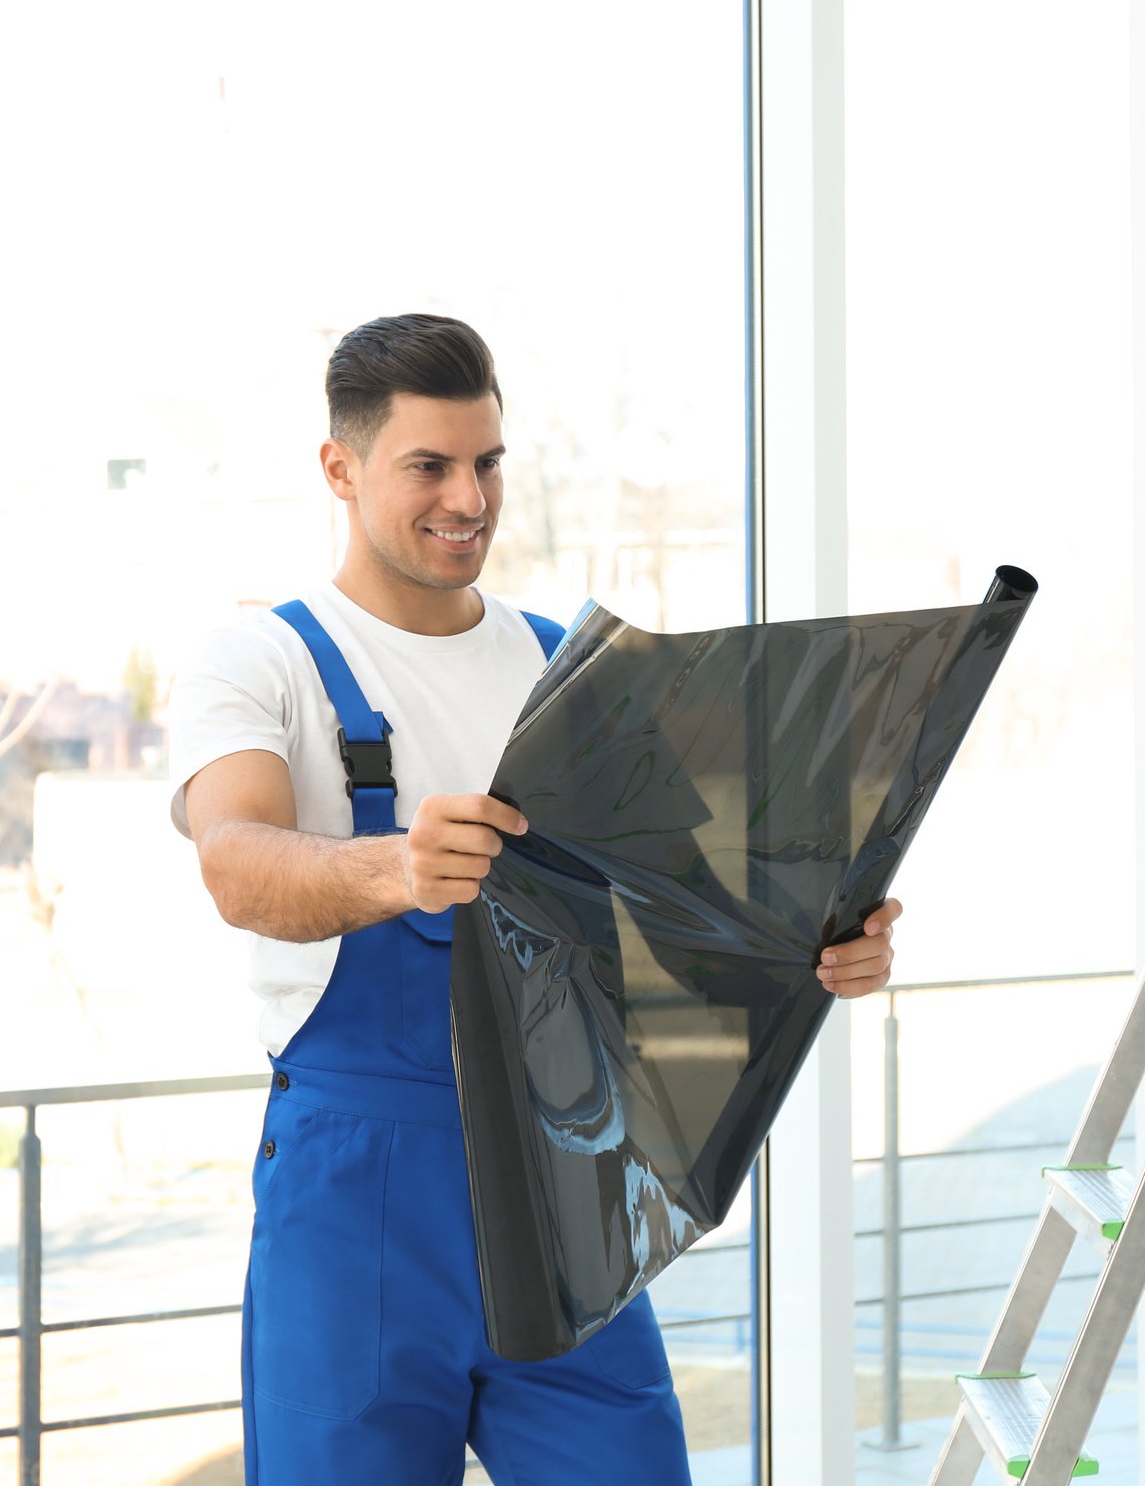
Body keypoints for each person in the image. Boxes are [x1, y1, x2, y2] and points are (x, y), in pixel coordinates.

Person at [169, 313, 903, 1484]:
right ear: (340, 469)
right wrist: (395, 867)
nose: (470, 496)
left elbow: (692, 910)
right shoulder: (264, 661)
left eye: (489, 462)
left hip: (567, 1185)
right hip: (360, 1196)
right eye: (430, 466)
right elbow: (237, 860)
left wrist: (826, 945)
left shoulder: (573, 669)